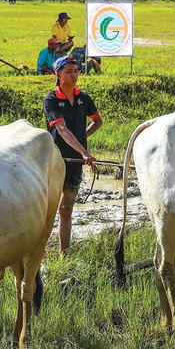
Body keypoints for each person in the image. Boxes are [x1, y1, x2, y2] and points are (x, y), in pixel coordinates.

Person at [42, 55, 102, 257]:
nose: (74, 74)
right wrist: (83, 150)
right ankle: (36, 250)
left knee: (66, 209)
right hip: (55, 162)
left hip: (75, 163)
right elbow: (62, 130)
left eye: (76, 70)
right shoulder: (51, 99)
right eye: (69, 71)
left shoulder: (83, 98)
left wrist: (81, 139)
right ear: (58, 74)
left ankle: (63, 254)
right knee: (47, 211)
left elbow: (97, 121)